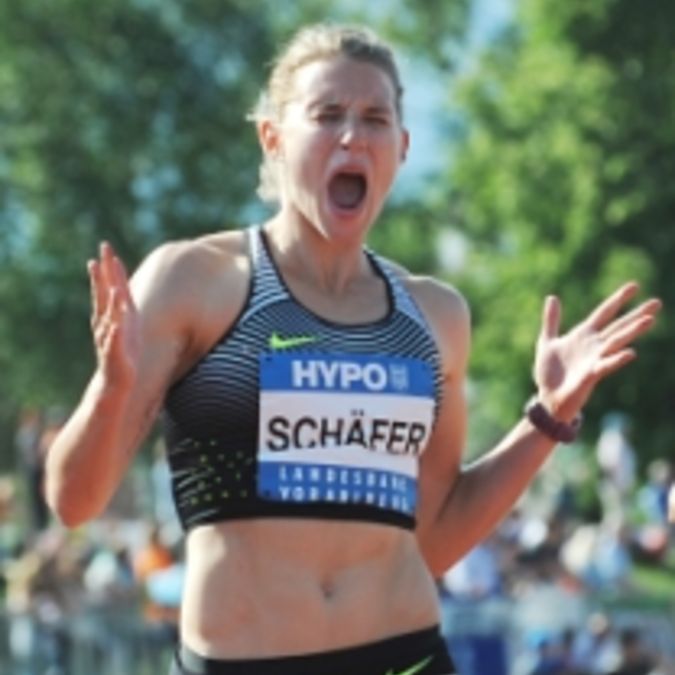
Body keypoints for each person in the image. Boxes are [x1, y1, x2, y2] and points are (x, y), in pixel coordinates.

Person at [43, 23, 661, 675]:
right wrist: (110, 391)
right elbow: (73, 502)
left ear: (401, 147)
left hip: (406, 657)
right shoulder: (195, 281)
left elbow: (432, 540)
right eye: (327, 114)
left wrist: (547, 416)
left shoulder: (434, 316)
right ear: (273, 138)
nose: (352, 136)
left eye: (374, 118)